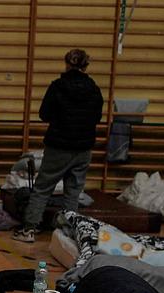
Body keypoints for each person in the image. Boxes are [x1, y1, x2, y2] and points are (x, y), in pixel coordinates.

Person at [12, 48, 103, 243]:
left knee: (43, 187)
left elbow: (44, 114)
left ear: (67, 63)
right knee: (74, 191)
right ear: (86, 65)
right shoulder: (94, 89)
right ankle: (67, 233)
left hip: (59, 145)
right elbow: (97, 117)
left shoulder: (58, 86)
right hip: (83, 147)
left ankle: (29, 229)